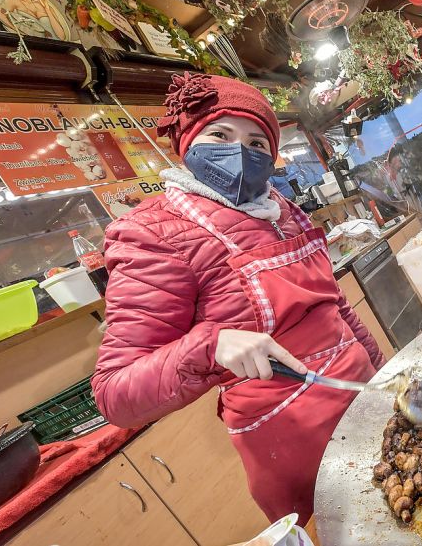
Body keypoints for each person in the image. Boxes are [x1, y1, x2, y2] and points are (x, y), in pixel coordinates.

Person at [91, 73, 384, 523]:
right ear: (188, 142)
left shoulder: (283, 211)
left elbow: (337, 309)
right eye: (220, 135)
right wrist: (211, 346)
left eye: (256, 142)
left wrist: (384, 377)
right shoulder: (151, 233)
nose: (240, 152)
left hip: (365, 400)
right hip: (293, 441)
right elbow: (115, 394)